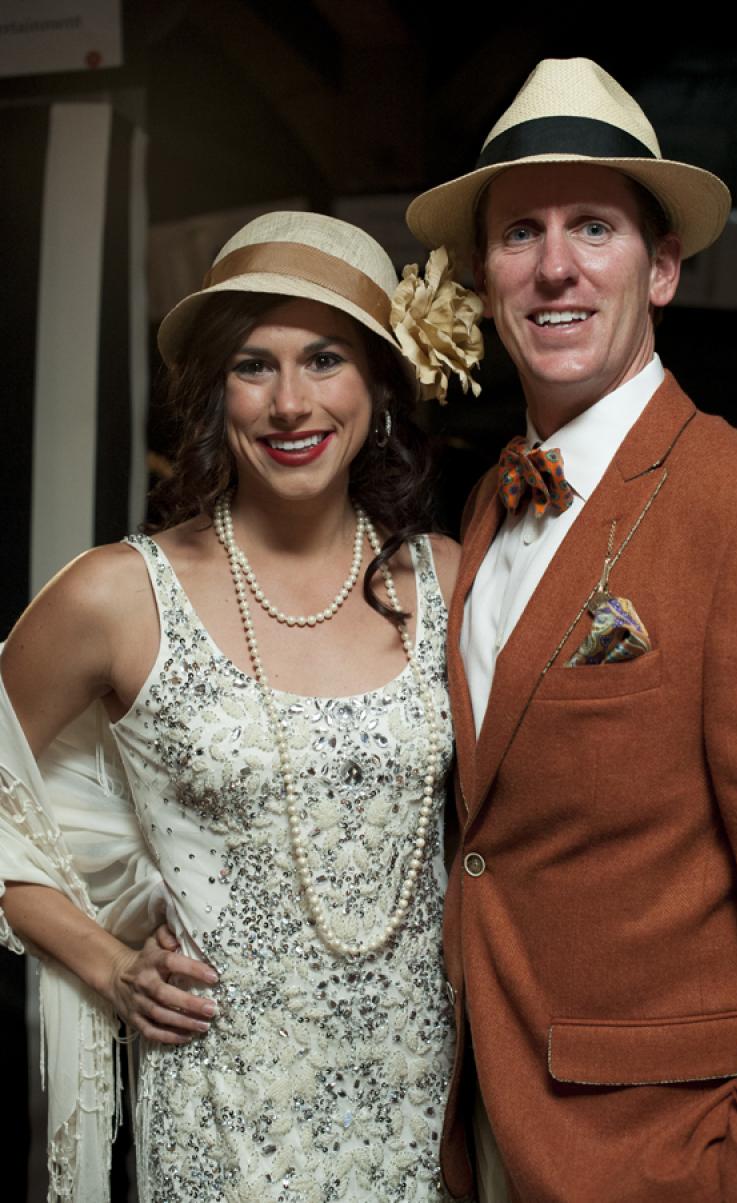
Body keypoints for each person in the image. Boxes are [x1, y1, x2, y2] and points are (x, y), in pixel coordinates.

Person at [0, 211, 483, 1202]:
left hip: (418, 1118)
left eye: (324, 359)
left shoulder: (446, 581)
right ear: (215, 392)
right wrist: (106, 960)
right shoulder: (118, 595)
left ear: (378, 386)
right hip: (221, 1126)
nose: (290, 402)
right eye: (253, 366)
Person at [406, 56, 737, 1203]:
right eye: (518, 234)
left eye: (592, 227)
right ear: (483, 278)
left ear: (660, 267)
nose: (554, 266)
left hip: (663, 1156)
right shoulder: (487, 503)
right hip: (485, 1134)